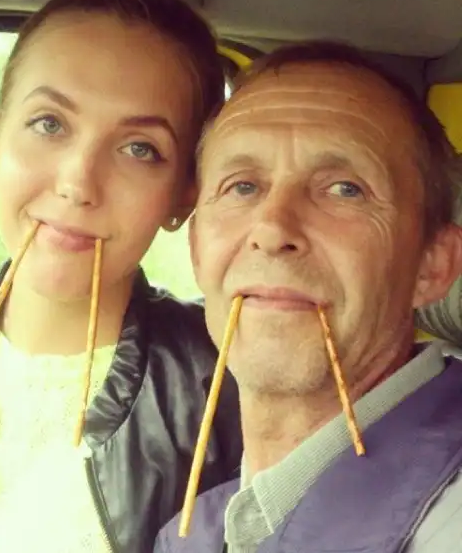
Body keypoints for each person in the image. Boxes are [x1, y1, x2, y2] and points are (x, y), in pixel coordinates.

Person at [0, 0, 242, 553]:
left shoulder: (227, 392)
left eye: (140, 149)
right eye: (49, 124)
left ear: (183, 196)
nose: (77, 182)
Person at [155, 40, 462, 552]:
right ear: (196, 249)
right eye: (242, 186)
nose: (272, 228)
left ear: (432, 264)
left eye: (345, 189)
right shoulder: (198, 529)